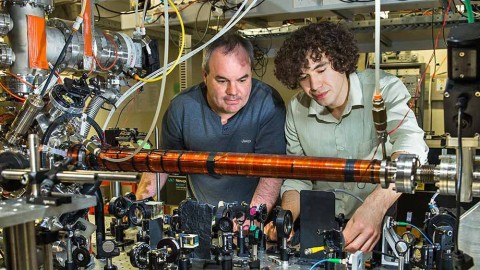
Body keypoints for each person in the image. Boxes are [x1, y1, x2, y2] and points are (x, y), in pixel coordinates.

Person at [268, 21, 428, 252]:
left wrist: (374, 207)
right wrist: (287, 217)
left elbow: (411, 147)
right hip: (320, 232)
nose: (314, 85)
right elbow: (298, 176)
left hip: (378, 230)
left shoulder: (383, 90)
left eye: (321, 69)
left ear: (341, 60)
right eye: (304, 77)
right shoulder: (297, 109)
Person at [136, 33, 286, 213]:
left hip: (256, 220)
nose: (233, 91)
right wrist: (139, 205)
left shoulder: (267, 103)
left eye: (242, 80)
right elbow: (162, 164)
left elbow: (272, 173)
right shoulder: (182, 108)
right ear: (205, 76)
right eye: (222, 81)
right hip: (201, 217)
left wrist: (249, 224)